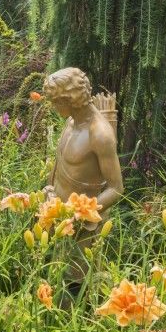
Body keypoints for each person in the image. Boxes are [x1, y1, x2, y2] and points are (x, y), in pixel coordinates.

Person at [43, 68, 124, 296]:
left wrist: (80, 214)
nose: (53, 107)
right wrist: (49, 191)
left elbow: (116, 188)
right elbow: (61, 165)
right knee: (57, 275)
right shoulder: (71, 122)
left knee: (76, 282)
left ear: (70, 100)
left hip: (84, 226)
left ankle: (76, 326)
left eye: (56, 102)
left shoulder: (99, 134)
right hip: (60, 218)